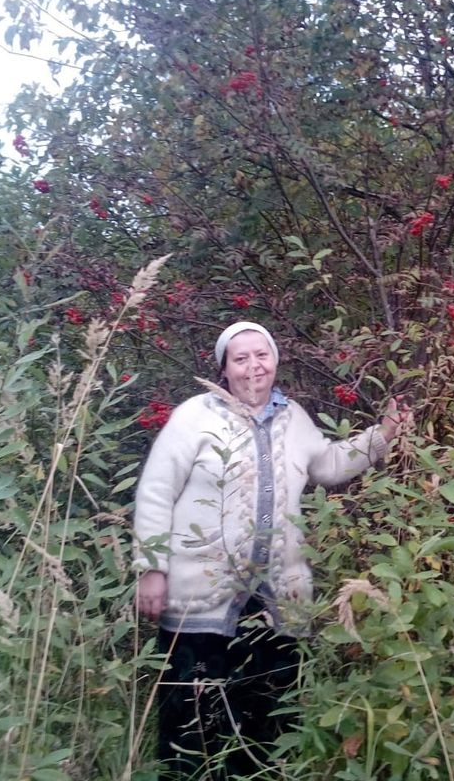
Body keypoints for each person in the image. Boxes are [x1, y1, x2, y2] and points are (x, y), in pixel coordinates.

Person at [133, 321, 405, 779]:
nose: (253, 366)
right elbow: (156, 492)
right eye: (241, 358)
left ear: (275, 360)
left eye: (262, 355)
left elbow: (331, 464)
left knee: (268, 719)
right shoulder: (194, 416)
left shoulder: (293, 417)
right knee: (191, 722)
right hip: (197, 599)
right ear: (224, 369)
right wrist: (151, 569)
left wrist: (385, 434)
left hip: (278, 600)